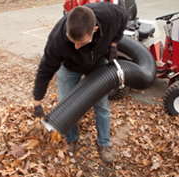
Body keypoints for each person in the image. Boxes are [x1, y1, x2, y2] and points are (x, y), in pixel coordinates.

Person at [33, 2, 128, 163]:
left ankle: (104, 143)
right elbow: (45, 70)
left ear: (95, 30)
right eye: (72, 42)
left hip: (96, 63)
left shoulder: (110, 15)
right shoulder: (57, 40)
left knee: (102, 105)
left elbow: (124, 18)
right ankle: (71, 140)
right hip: (69, 67)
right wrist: (37, 101)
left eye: (81, 43)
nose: (76, 47)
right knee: (67, 104)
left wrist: (113, 44)